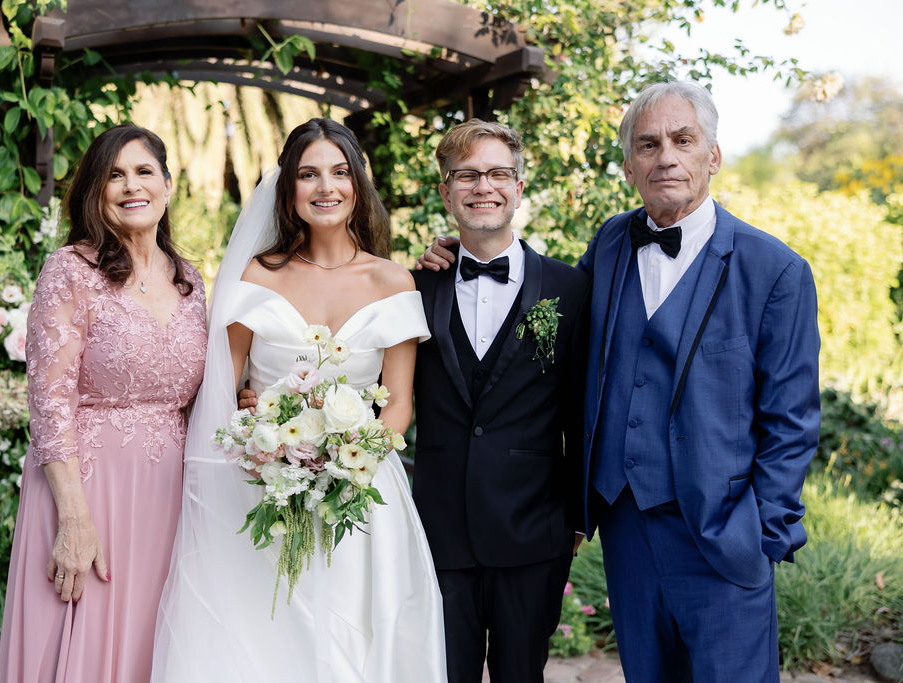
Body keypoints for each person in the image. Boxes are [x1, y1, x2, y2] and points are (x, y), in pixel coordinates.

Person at [421, 81, 821, 682]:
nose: (666, 157)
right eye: (648, 144)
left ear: (712, 155)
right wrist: (461, 255)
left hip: (723, 532)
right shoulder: (609, 245)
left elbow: (792, 419)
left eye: (683, 141)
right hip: (628, 529)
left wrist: (760, 532)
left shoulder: (775, 270)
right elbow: (532, 297)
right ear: (630, 165)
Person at [152, 118, 447, 682]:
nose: (325, 187)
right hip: (262, 487)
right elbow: (219, 386)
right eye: (308, 174)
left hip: (361, 493)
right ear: (289, 188)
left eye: (339, 172)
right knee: (268, 638)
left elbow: (400, 406)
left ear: (358, 184)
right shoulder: (257, 276)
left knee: (363, 638)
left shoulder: (393, 282)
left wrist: (343, 467)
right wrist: (265, 444)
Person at [0, 125, 207, 682]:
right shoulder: (71, 270)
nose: (130, 185)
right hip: (84, 489)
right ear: (96, 190)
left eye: (143, 172)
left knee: (151, 642)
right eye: (114, 174)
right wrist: (74, 518)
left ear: (168, 183)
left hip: (169, 497)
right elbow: (48, 400)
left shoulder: (191, 281)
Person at [409, 119, 589, 682]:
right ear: (445, 191)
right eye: (466, 175)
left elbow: (583, 406)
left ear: (518, 186)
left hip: (533, 528)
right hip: (438, 527)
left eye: (497, 173)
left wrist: (580, 514)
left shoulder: (570, 288)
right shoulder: (415, 286)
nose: (482, 186)